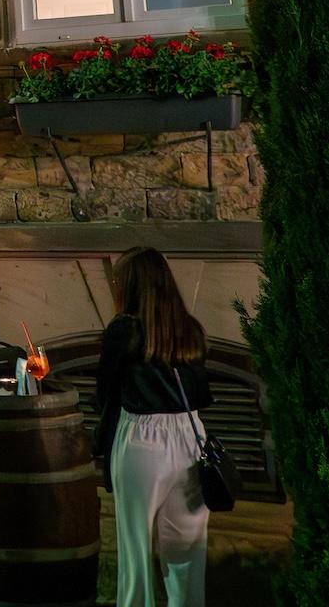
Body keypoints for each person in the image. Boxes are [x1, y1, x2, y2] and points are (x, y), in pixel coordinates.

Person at [94, 247, 214, 607]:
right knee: (188, 554)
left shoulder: (123, 330)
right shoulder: (190, 328)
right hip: (191, 436)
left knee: (136, 558)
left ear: (130, 286)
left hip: (142, 438)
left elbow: (105, 392)